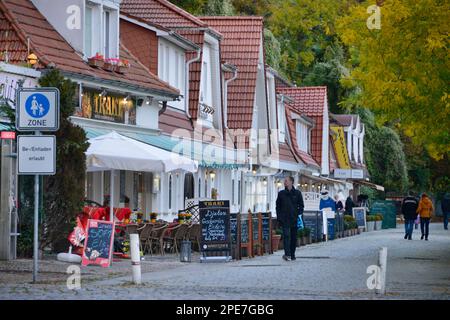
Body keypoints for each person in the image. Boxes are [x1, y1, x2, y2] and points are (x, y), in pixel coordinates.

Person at [276, 176, 304, 261]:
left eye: (286, 181)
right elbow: (278, 207)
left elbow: (301, 206)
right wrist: (279, 217)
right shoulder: (281, 193)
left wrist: (298, 213)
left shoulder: (297, 193)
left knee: (293, 237)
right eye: (284, 181)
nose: (285, 182)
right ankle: (287, 254)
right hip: (285, 219)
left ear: (291, 182)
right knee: (286, 236)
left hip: (294, 219)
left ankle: (292, 254)